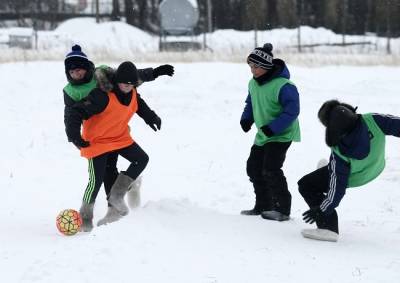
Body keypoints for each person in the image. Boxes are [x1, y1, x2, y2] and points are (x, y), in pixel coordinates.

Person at [63, 44, 173, 212]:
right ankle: (116, 202)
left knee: (111, 171)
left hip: (115, 130)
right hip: (97, 135)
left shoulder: (102, 74)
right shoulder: (71, 91)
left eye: (79, 70)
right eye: (71, 72)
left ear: (86, 68)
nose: (76, 74)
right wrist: (74, 135)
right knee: (103, 175)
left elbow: (130, 77)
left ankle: (116, 204)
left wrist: (154, 73)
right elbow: (71, 114)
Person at [299, 100, 400, 242]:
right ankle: (327, 172)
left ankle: (328, 228)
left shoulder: (339, 154)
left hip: (355, 177)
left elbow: (337, 190)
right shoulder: (373, 120)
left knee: (306, 184)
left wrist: (321, 209)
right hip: (377, 166)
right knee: (331, 172)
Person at [240, 43, 301, 221]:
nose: (253, 70)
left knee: (271, 169)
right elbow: (250, 103)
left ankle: (282, 209)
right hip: (263, 135)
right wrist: (246, 119)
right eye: (250, 66)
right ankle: (263, 205)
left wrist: (273, 127)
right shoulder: (253, 83)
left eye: (256, 66)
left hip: (282, 134)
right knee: (253, 168)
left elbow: (292, 111)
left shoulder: (285, 86)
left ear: (266, 66)